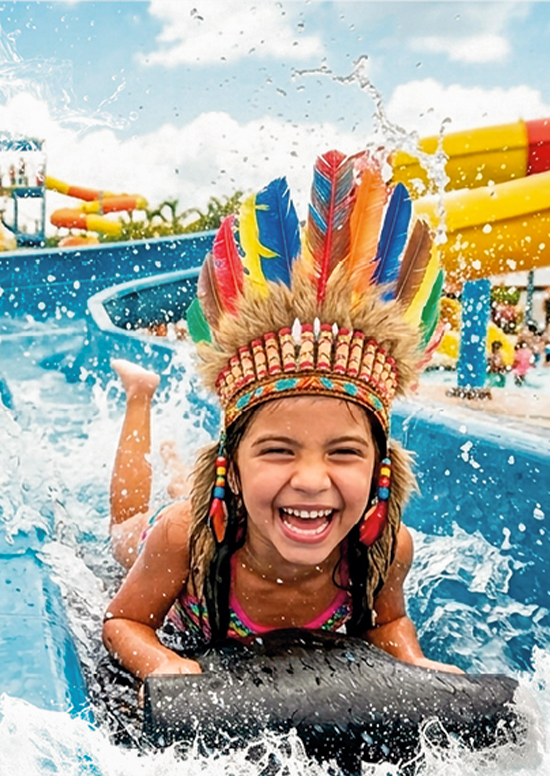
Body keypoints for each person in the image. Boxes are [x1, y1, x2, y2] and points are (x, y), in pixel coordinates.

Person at [102, 156, 459, 682]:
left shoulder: (385, 547)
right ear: (231, 467)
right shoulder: (182, 539)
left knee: (194, 494)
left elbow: (386, 622)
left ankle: (187, 467)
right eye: (278, 450)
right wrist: (164, 662)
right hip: (200, 534)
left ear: (381, 469)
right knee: (126, 531)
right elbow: (124, 621)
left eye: (344, 452)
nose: (312, 480)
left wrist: (413, 660)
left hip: (234, 507)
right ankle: (140, 396)